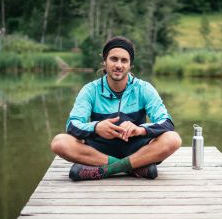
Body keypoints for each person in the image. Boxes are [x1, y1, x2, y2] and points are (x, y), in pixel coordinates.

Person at [51, 36, 182, 181]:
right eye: (114, 59)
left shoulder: (144, 89)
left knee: (173, 139)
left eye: (124, 60)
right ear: (105, 62)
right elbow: (72, 125)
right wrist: (96, 127)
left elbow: (166, 122)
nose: (119, 65)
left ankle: (107, 170)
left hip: (136, 149)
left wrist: (140, 129)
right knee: (59, 142)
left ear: (130, 65)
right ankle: (135, 168)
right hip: (98, 150)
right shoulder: (90, 90)